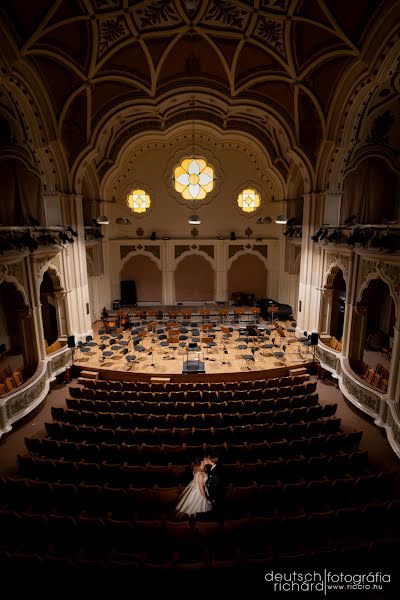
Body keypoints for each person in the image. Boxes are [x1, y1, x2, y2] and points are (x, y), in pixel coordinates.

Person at [204, 453, 224, 521]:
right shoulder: (212, 468)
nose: (207, 459)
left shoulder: (217, 469)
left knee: (217, 511)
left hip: (216, 495)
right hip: (214, 494)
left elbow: (215, 486)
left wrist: (212, 497)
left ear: (212, 460)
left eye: (208, 458)